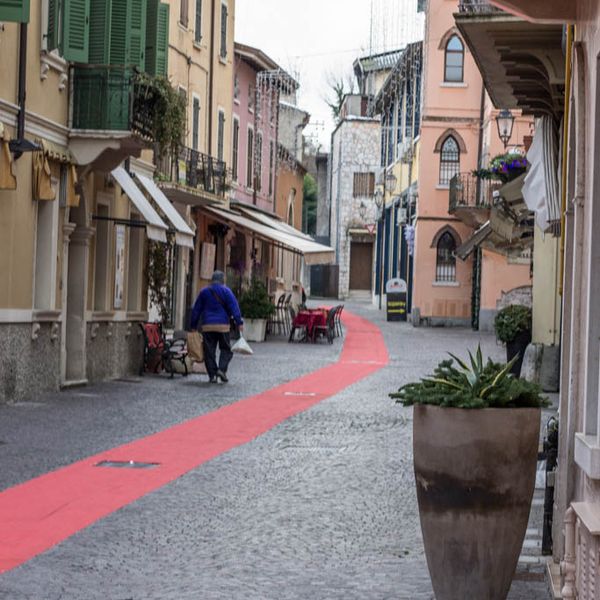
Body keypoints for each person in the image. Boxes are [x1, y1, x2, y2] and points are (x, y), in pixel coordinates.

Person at [190, 271, 244, 383]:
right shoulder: (227, 291)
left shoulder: (204, 292)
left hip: (208, 326)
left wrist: (193, 325)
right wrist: (239, 322)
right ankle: (221, 369)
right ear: (222, 280)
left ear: (212, 280)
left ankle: (212, 375)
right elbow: (234, 307)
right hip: (223, 326)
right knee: (226, 349)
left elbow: (196, 310)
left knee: (209, 351)